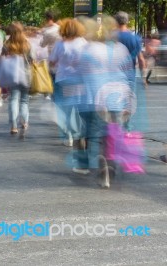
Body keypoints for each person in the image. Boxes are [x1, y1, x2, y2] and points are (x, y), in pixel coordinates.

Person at [76, 17, 135, 188]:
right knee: (112, 134)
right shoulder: (121, 49)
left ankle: (94, 161)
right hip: (117, 98)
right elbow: (129, 76)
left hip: (94, 99)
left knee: (93, 134)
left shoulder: (88, 49)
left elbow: (81, 76)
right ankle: (108, 163)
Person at [49, 18, 87, 148]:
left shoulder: (60, 44)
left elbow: (52, 61)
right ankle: (76, 133)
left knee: (64, 110)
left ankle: (67, 135)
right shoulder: (83, 43)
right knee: (76, 108)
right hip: (79, 80)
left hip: (63, 79)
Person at [3, 22, 34, 137]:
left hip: (12, 75)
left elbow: (2, 59)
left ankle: (14, 125)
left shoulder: (7, 44)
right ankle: (25, 122)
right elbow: (32, 59)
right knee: (24, 101)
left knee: (13, 99)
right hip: (26, 75)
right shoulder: (27, 44)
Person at [40, 10, 61, 100]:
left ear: (47, 18)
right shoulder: (59, 28)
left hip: (52, 56)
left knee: (52, 76)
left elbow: (42, 44)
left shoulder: (47, 31)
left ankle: (54, 95)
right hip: (61, 56)